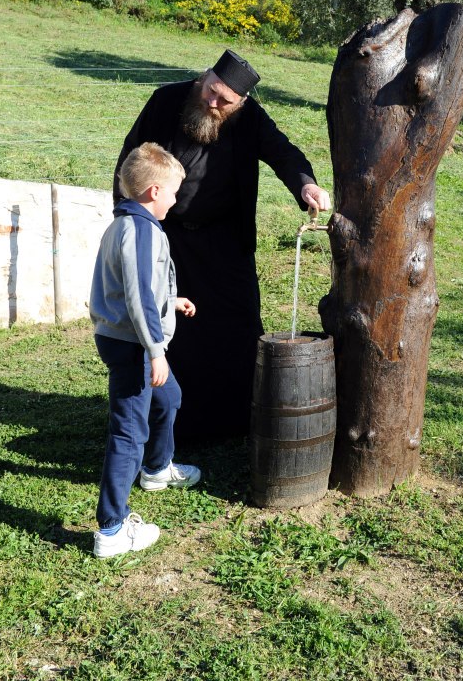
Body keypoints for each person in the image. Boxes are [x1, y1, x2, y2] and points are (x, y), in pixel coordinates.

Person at [113, 49, 331, 441]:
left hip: (227, 240)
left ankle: (236, 421)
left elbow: (283, 152)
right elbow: (130, 162)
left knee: (238, 325)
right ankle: (177, 425)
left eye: (223, 101)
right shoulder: (166, 101)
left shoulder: (250, 119)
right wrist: (130, 220)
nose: (212, 102)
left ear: (240, 102)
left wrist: (306, 184)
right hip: (169, 238)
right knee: (171, 329)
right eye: (211, 90)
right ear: (206, 76)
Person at [91, 142, 201, 559]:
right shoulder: (138, 230)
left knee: (168, 398)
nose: (176, 199)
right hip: (134, 344)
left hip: (128, 337)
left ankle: (156, 470)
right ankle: (112, 529)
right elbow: (136, 295)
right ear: (154, 191)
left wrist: (169, 301)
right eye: (173, 191)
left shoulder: (127, 224)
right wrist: (156, 350)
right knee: (128, 431)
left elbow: (135, 286)